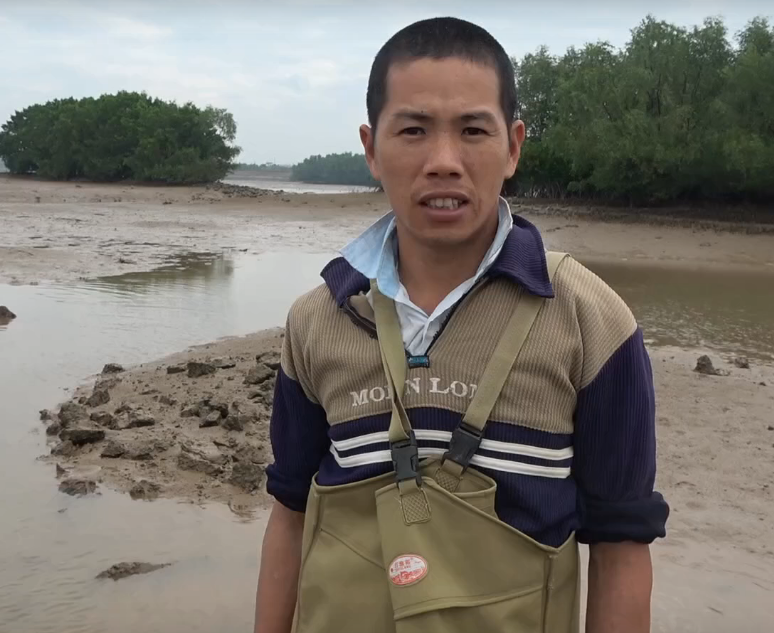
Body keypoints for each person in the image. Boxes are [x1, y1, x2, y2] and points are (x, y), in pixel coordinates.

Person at [253, 16, 669, 633]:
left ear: (513, 147)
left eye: (473, 130)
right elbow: (290, 512)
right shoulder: (318, 320)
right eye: (414, 130)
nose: (443, 162)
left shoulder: (590, 318)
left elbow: (621, 544)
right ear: (371, 148)